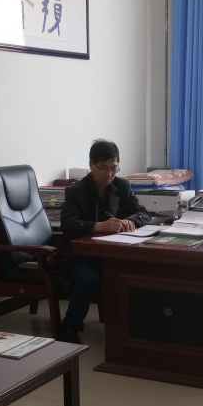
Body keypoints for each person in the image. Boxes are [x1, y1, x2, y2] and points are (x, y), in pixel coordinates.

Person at [56, 139, 150, 344]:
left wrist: (130, 221)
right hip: (77, 256)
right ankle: (69, 327)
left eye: (114, 168)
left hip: (110, 253)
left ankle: (135, 330)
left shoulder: (122, 186)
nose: (109, 174)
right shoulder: (76, 191)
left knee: (137, 273)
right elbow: (68, 224)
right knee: (89, 278)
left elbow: (143, 213)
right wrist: (99, 226)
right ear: (91, 165)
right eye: (103, 168)